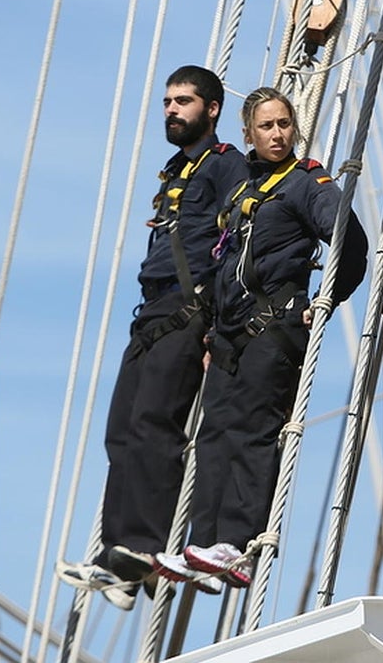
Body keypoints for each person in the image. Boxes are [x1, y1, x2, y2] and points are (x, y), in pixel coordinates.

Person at [153, 86, 368, 588]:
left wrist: (327, 300)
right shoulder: (242, 187)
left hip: (274, 327)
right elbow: (224, 260)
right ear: (248, 134)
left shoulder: (307, 183)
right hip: (229, 334)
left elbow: (350, 243)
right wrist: (210, 332)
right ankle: (205, 545)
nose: (277, 134)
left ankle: (238, 543)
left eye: (284, 124)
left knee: (252, 429)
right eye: (266, 126)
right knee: (213, 434)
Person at [61, 65, 248, 610]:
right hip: (152, 311)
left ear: (211, 109)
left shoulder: (227, 165)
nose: (171, 110)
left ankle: (143, 547)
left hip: (190, 311)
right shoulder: (175, 171)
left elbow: (240, 245)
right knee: (121, 431)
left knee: (154, 424)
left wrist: (220, 328)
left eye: (183, 101)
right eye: (167, 101)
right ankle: (118, 561)